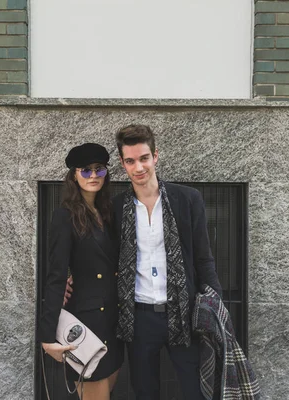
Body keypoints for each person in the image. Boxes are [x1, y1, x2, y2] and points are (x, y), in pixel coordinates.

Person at [113, 124, 223, 400]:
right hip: (138, 317)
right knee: (145, 392)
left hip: (182, 314)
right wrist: (72, 275)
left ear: (155, 156)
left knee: (196, 391)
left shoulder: (186, 199)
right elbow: (99, 255)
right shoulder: (116, 208)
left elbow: (203, 257)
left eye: (144, 158)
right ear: (122, 163)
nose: (138, 167)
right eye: (130, 161)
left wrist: (216, 307)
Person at [38, 143, 124, 400]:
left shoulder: (108, 213)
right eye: (86, 170)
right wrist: (46, 336)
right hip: (86, 323)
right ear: (74, 175)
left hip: (113, 322)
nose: (94, 176)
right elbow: (56, 277)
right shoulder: (64, 217)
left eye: (100, 169)